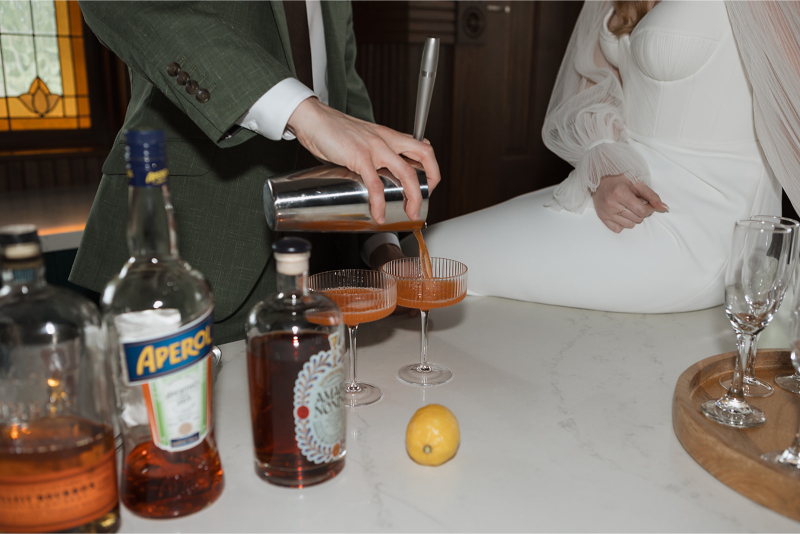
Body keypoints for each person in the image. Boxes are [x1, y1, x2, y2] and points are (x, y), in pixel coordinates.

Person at [70, 1, 439, 343]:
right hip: (195, 260)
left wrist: (381, 241)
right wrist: (302, 112)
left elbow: (347, 102)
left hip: (331, 262)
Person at [410, 0, 800, 314]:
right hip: (623, 190)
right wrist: (607, 168)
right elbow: (592, 92)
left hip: (701, 223)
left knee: (433, 259)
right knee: (426, 248)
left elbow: (791, 86)